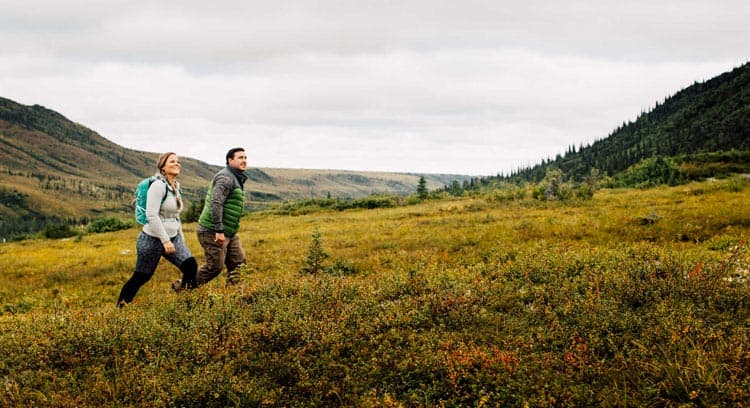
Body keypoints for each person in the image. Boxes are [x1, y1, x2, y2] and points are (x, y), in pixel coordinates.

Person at [117, 152, 197, 307]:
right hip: (152, 240)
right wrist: (165, 240)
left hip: (173, 238)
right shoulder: (158, 186)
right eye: (172, 161)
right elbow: (152, 215)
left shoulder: (175, 187)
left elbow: (175, 216)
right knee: (141, 276)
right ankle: (120, 309)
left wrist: (181, 239)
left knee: (190, 266)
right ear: (163, 167)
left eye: (178, 161)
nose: (177, 164)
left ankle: (187, 305)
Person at [192, 147, 248, 287]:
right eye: (240, 158)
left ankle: (233, 297)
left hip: (229, 231)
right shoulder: (226, 178)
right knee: (215, 267)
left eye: (245, 158)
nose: (244, 160)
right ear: (230, 160)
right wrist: (219, 230)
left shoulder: (235, 177)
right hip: (212, 230)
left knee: (239, 263)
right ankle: (184, 287)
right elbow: (216, 203)